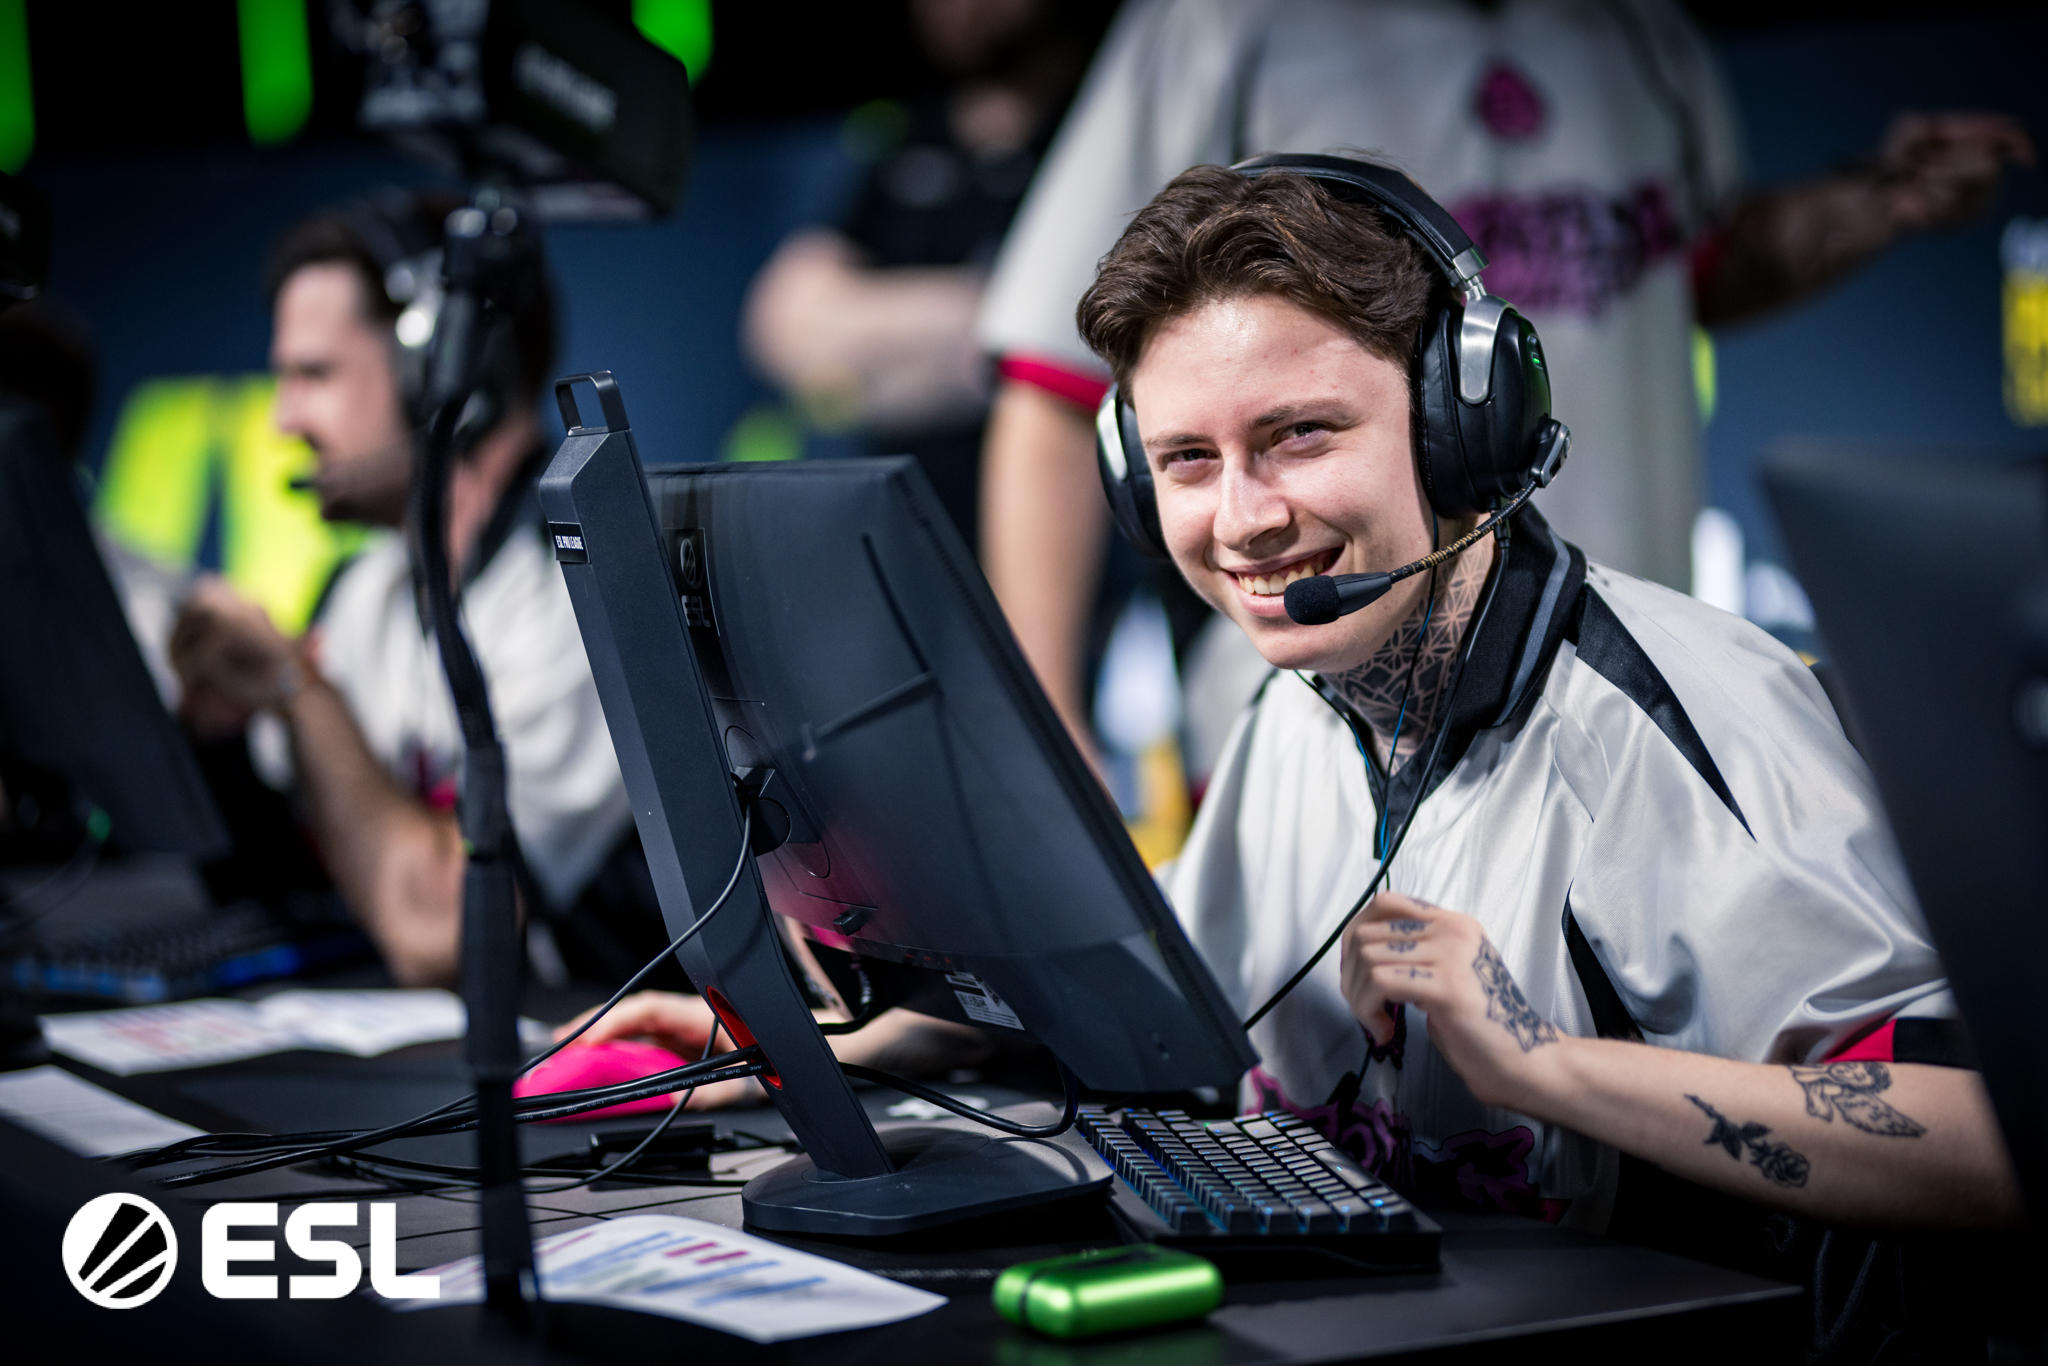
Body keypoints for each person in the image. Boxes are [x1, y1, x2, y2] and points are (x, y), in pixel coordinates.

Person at [1073, 162, 2021, 1248]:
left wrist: (1544, 1066)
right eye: (1187, 460)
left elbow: (1988, 1145)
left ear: (1458, 428)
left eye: (1301, 434)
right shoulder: (1292, 702)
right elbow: (1174, 995)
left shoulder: (1665, 715)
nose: (1242, 520)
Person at [974, 0, 2035, 760]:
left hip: (1628, 692)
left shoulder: (1636, 27)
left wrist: (1870, 204)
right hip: (1321, 713)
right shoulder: (1216, 22)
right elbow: (1061, 385)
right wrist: (1043, 732)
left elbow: (1694, 258)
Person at [168, 194, 646, 988]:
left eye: (313, 374)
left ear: (445, 370)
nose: (284, 419)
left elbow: (441, 932)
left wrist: (298, 690)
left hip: (598, 1051)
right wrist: (217, 731)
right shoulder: (369, 589)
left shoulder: (578, 591)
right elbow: (293, 880)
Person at [742, 0, 1102, 549]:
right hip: (908, 529)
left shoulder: (1099, 124)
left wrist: (872, 348)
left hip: (1066, 530)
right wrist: (979, 331)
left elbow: (1088, 330)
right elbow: (782, 325)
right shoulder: (907, 134)